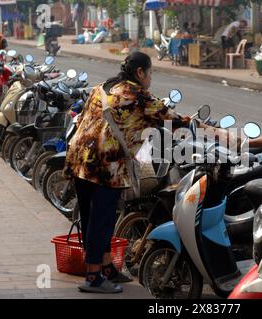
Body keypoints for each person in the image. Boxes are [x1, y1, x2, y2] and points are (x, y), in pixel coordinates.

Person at [63, 52, 193, 293]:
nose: (151, 78)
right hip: (105, 165)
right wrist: (191, 122)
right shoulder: (136, 93)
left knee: (96, 217)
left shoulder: (103, 86)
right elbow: (167, 116)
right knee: (101, 220)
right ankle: (93, 278)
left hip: (80, 158)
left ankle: (106, 267)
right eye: (151, 72)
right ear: (140, 72)